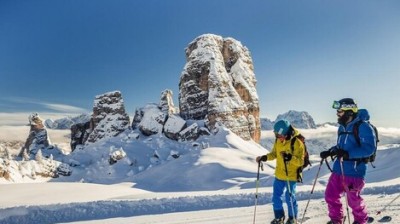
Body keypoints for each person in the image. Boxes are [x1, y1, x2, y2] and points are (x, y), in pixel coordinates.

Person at [320, 98, 377, 224]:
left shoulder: (363, 127)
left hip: (354, 172)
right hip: (338, 170)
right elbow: (341, 147)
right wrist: (331, 151)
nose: (337, 113)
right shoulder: (341, 128)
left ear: (349, 112)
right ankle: (336, 220)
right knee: (330, 196)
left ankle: (361, 220)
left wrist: (348, 154)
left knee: (353, 201)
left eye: (340, 111)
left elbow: (369, 148)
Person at [256, 119, 305, 224]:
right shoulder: (278, 141)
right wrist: (264, 157)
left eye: (279, 135)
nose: (278, 138)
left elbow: (301, 161)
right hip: (279, 175)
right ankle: (279, 218)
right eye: (276, 135)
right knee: (275, 197)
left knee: (289, 197)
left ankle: (293, 219)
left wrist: (290, 158)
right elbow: (274, 154)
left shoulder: (297, 143)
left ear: (286, 133)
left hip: (291, 176)